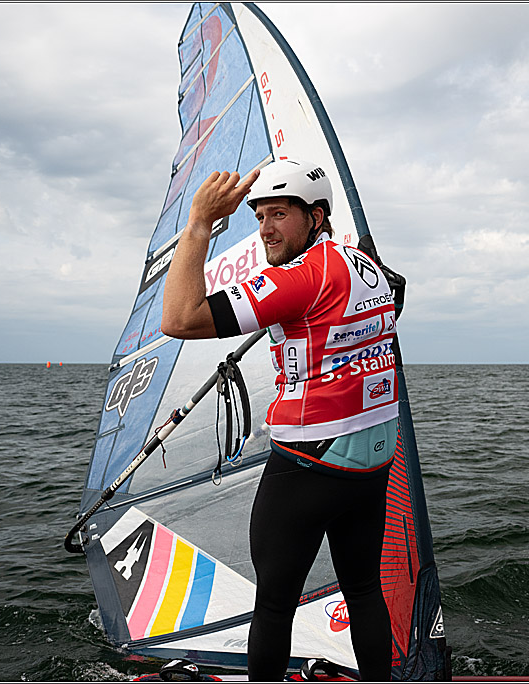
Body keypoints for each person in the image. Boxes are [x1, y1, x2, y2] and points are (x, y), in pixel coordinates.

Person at [161, 160, 398, 682]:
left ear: (315, 217)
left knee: (273, 606)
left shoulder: (299, 278)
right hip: (370, 465)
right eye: (259, 216)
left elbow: (179, 318)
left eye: (279, 215)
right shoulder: (368, 267)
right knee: (362, 590)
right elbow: (396, 298)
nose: (265, 229)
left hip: (308, 467)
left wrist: (200, 222)